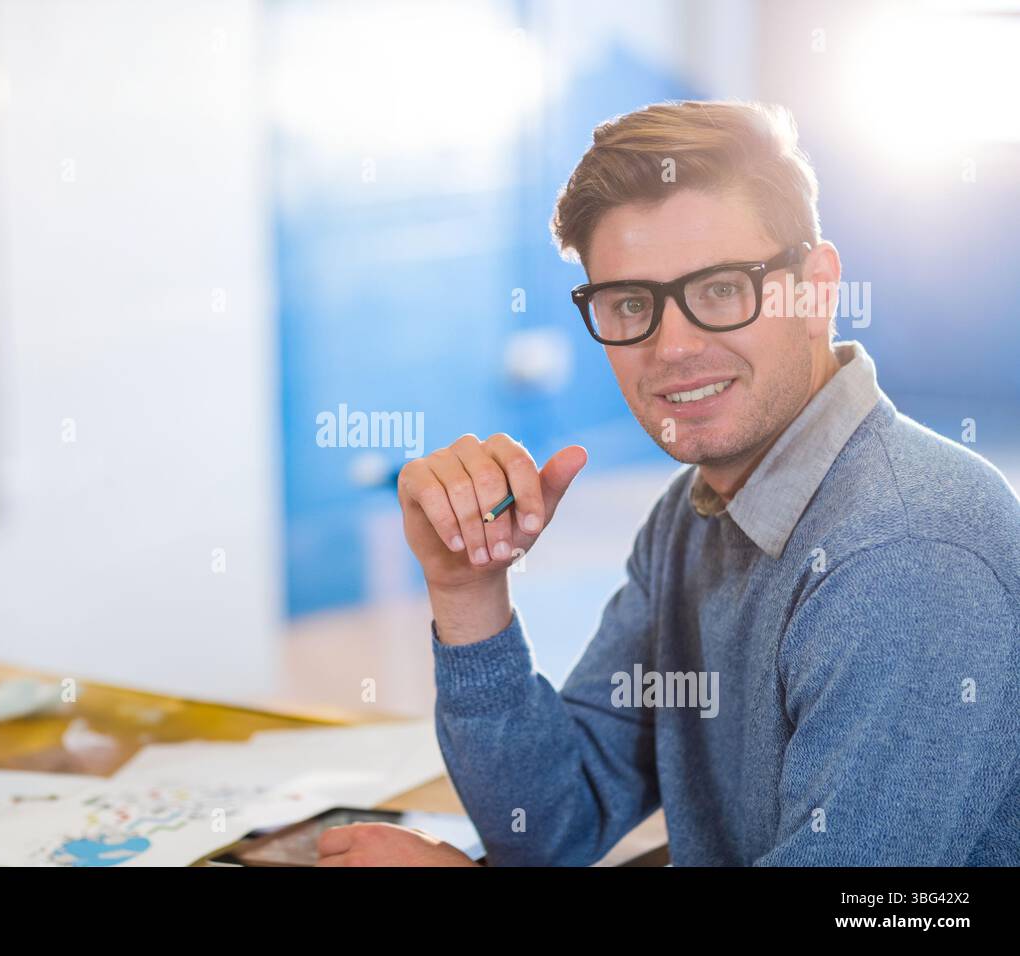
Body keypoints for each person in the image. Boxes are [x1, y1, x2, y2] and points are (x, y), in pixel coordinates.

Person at [316, 100, 1020, 867]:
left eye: (721, 290)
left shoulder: (906, 554)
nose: (673, 347)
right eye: (630, 304)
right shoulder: (693, 518)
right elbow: (552, 823)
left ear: (816, 288)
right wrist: (467, 594)